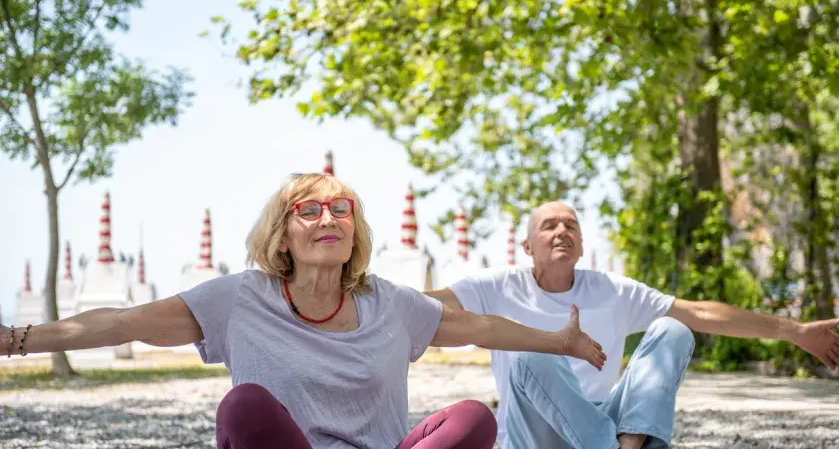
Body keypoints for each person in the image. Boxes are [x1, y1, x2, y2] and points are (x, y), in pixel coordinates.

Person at [1, 175, 607, 449]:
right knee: (245, 406)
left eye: (341, 210)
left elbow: (477, 327)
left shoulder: (387, 301)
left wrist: (562, 341)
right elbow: (122, 322)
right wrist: (15, 340)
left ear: (356, 233)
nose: (328, 219)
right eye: (309, 211)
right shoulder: (239, 298)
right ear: (282, 234)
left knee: (474, 418)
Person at [428, 200, 839, 449]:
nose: (562, 231)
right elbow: (422, 308)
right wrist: (362, 293)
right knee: (530, 355)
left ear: (582, 243)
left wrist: (795, 331)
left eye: (571, 225)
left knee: (673, 329)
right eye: (549, 225)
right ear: (527, 246)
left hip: (606, 423)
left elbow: (702, 314)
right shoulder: (497, 285)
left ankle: (623, 445)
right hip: (537, 434)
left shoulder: (611, 290)